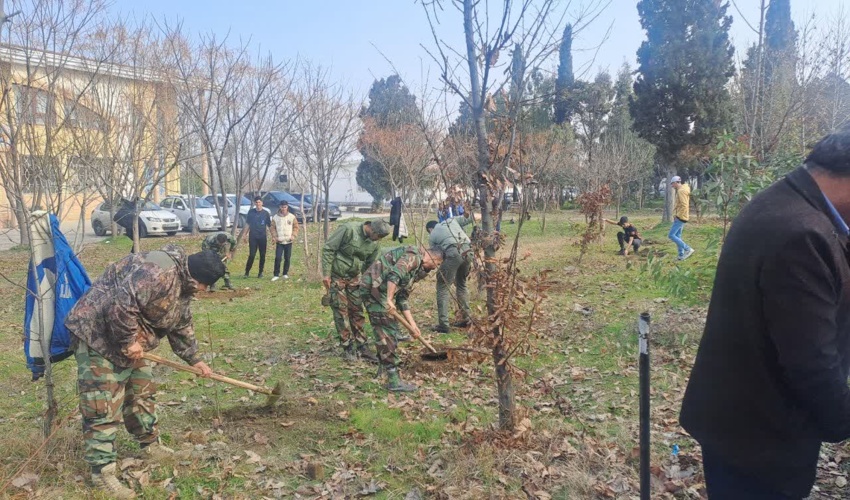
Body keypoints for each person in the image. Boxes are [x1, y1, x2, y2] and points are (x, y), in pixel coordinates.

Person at [679, 124, 850, 500]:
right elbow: (812, 360)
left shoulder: (785, 202)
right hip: (761, 438)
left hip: (739, 423)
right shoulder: (804, 233)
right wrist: (842, 421)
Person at [64, 245, 225, 499]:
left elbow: (180, 321)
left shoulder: (183, 285)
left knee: (142, 391)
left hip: (130, 342)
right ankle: (103, 473)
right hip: (98, 335)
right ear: (196, 278)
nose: (205, 291)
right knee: (102, 405)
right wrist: (129, 341)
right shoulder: (157, 271)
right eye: (206, 285)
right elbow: (121, 304)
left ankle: (149, 445)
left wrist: (194, 359)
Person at [361, 245, 444, 392]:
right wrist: (389, 299)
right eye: (437, 264)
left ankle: (383, 372)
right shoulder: (413, 256)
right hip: (374, 290)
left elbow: (403, 298)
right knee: (387, 332)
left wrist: (413, 326)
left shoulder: (416, 270)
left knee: (387, 331)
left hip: (380, 292)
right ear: (433, 257)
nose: (435, 268)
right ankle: (393, 380)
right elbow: (394, 275)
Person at [321, 219, 391, 362]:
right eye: (377, 236)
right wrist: (326, 274)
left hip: (354, 277)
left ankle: (362, 346)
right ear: (371, 229)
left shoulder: (374, 244)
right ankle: (347, 346)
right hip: (337, 275)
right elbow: (328, 248)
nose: (377, 240)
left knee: (357, 310)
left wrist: (367, 283)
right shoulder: (349, 229)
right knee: (341, 311)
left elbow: (370, 265)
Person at [426, 211, 476, 333]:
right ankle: (467, 319)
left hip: (452, 251)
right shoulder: (451, 220)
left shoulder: (432, 236)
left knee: (443, 286)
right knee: (462, 284)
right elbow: (470, 217)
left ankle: (443, 325)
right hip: (469, 250)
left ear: (430, 229)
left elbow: (436, 257)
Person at [238, 196, 271, 278]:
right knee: (252, 255)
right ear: (254, 203)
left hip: (262, 237)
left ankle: (260, 272)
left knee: (262, 255)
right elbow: (247, 224)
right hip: (253, 236)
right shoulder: (251, 212)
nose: (258, 204)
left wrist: (274, 236)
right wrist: (244, 235)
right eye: (256, 202)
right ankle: (247, 272)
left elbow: (269, 226)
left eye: (259, 202)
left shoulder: (266, 213)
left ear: (262, 203)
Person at [270, 201, 299, 281]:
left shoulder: (292, 217)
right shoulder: (275, 217)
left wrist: (293, 235)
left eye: (285, 207)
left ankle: (285, 273)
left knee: (287, 258)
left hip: (289, 241)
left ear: (287, 207)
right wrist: (275, 237)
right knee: (278, 258)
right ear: (280, 207)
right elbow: (272, 228)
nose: (283, 208)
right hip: (279, 241)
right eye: (282, 207)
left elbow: (296, 227)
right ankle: (276, 274)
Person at [668, 175, 694, 260]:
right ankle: (681, 256)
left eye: (672, 184)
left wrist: (678, 215)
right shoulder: (683, 189)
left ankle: (688, 249)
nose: (672, 186)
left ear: (676, 183)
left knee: (671, 235)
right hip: (682, 216)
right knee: (678, 235)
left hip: (681, 217)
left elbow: (684, 205)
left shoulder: (681, 191)